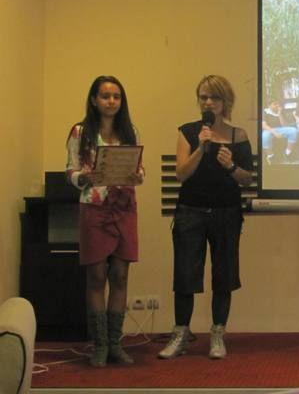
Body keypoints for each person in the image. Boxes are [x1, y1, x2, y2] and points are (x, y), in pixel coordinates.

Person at [158, 75, 253, 360]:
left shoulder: (238, 136)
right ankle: (180, 334)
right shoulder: (188, 132)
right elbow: (181, 174)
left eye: (214, 97)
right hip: (191, 211)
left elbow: (247, 179)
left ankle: (217, 334)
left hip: (226, 212)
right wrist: (201, 148)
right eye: (203, 97)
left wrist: (231, 165)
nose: (208, 102)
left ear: (226, 101)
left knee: (224, 274)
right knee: (185, 274)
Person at [65, 76, 144, 367]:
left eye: (116, 96)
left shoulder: (130, 131)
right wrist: (84, 177)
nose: (111, 101)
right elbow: (70, 171)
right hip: (95, 208)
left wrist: (138, 176)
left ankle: (115, 344)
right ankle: (99, 345)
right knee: (96, 276)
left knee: (120, 275)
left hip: (124, 206)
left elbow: (140, 170)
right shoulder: (80, 132)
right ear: (94, 100)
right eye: (105, 96)